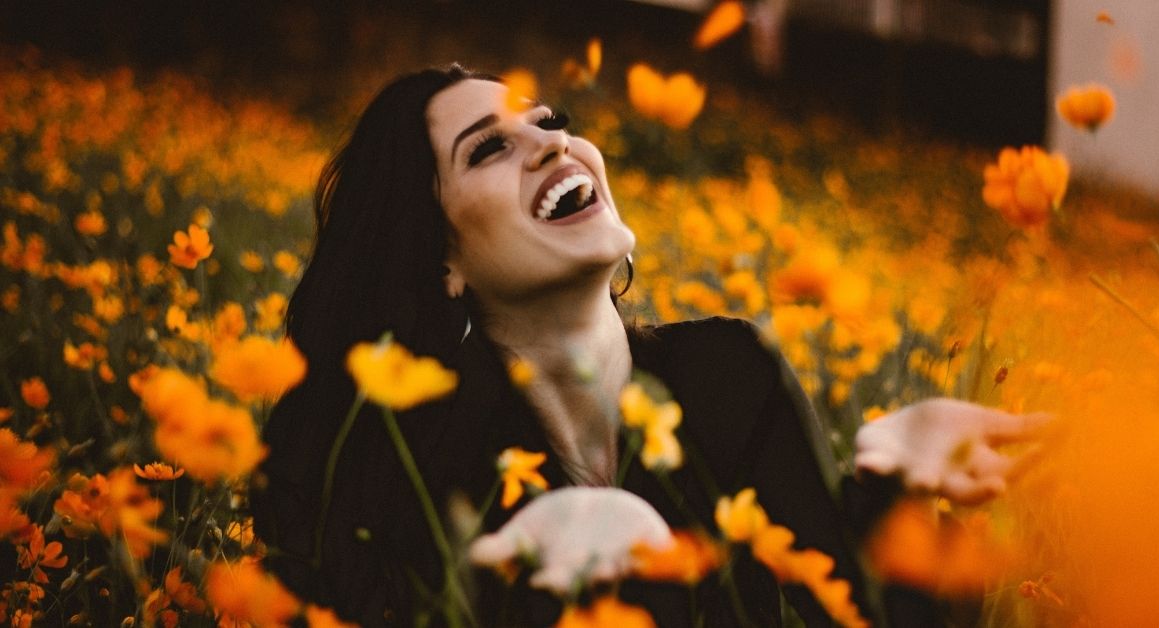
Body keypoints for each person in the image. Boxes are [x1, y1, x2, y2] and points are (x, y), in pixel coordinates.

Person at [252, 64, 1043, 627]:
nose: (552, 144)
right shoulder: (429, 481)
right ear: (441, 263)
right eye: (489, 148)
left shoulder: (733, 378)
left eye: (549, 121)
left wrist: (890, 484)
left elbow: (844, 611)